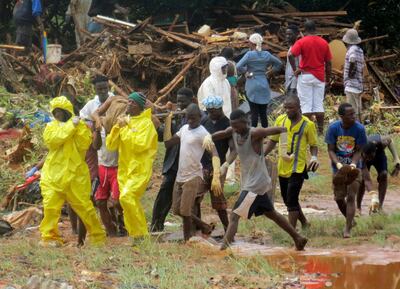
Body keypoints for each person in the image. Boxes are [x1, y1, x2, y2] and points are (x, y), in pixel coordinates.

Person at [212, 109, 308, 250]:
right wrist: (207, 138)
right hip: (251, 182)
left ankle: (223, 250)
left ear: (245, 121)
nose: (235, 129)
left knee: (234, 216)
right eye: (233, 126)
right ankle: (298, 238)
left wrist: (284, 150)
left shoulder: (255, 133)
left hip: (255, 184)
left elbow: (281, 129)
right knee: (272, 214)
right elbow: (219, 135)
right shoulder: (233, 131)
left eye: (237, 125)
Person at [39, 96, 106, 246]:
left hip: (75, 175)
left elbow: (84, 144)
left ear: (66, 111)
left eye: (59, 112)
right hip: (53, 174)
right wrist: (70, 127)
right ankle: (49, 237)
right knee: (50, 206)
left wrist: (77, 126)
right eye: (54, 112)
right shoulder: (51, 127)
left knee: (85, 207)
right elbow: (53, 141)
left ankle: (97, 236)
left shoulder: (81, 127)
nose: (56, 115)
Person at [164, 104, 223, 241]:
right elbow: (168, 143)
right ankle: (204, 226)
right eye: (188, 118)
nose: (190, 121)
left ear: (200, 117)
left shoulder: (203, 134)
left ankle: (187, 239)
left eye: (193, 118)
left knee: (185, 211)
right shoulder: (184, 129)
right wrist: (167, 122)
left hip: (193, 176)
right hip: (180, 175)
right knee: (177, 210)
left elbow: (215, 153)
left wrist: (216, 176)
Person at [150, 88, 205, 232]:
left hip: (191, 166)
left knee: (192, 199)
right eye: (178, 101)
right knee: (164, 194)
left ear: (192, 101)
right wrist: (159, 122)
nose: (180, 104)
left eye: (183, 102)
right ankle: (156, 226)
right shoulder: (176, 117)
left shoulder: (199, 118)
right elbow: (164, 138)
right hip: (173, 163)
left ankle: (196, 228)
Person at [106, 92, 158, 240]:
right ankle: (136, 234)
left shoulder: (146, 124)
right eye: (128, 101)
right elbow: (111, 145)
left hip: (140, 169)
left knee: (128, 197)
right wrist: (117, 127)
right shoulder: (124, 122)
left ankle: (141, 233)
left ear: (140, 106)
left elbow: (139, 145)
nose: (129, 104)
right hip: (125, 169)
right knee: (125, 200)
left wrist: (127, 128)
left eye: (133, 102)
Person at [264, 96, 319, 229]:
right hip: (282, 166)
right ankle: (305, 223)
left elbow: (313, 144)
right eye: (286, 108)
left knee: (291, 199)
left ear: (299, 107)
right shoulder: (281, 121)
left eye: (291, 108)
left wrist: (314, 157)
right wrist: (262, 155)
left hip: (298, 168)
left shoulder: (308, 124)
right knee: (287, 199)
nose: (287, 110)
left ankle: (292, 231)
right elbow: (273, 140)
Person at [325, 103, 367, 238]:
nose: (354, 117)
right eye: (350, 115)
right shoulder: (333, 128)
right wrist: (337, 164)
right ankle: (351, 220)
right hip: (338, 168)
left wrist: (354, 164)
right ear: (341, 116)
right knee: (338, 198)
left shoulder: (359, 129)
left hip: (355, 168)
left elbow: (359, 150)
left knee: (351, 197)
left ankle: (347, 228)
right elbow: (331, 149)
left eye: (354, 114)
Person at [288, 20, 332, 135]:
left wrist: (295, 69)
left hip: (305, 76)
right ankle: (321, 132)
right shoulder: (324, 42)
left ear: (304, 29)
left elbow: (290, 55)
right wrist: (328, 79)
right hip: (319, 77)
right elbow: (329, 63)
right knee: (318, 105)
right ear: (315, 29)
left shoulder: (301, 41)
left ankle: (306, 132)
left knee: (305, 105)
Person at [197, 96, 234, 231]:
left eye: (213, 111)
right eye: (208, 111)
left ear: (220, 109)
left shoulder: (227, 124)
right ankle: (199, 227)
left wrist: (226, 165)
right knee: (195, 198)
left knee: (218, 201)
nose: (210, 113)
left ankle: (228, 231)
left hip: (217, 168)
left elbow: (234, 149)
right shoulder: (205, 121)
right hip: (202, 166)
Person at [236, 33, 282, 128]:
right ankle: (265, 133)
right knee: (263, 113)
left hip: (252, 84)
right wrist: (270, 72)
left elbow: (238, 66)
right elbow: (279, 64)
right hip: (263, 83)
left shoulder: (249, 55)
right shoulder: (266, 55)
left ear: (252, 44)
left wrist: (246, 72)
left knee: (254, 112)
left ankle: (253, 134)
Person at [358, 134, 400, 213]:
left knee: (383, 174)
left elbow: (389, 139)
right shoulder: (360, 152)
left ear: (375, 150)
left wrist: (396, 158)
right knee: (362, 180)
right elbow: (367, 179)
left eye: (370, 157)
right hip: (363, 158)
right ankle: (358, 207)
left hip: (379, 156)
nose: (369, 159)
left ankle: (379, 207)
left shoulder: (381, 142)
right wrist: (373, 196)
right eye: (367, 157)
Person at [342, 29, 365, 121]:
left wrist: (351, 72)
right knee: (358, 111)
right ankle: (360, 129)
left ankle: (354, 130)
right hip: (358, 85)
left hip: (352, 85)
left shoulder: (352, 49)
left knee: (351, 112)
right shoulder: (360, 50)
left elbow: (352, 59)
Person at [285, 25, 300, 97]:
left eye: (290, 34)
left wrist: (295, 73)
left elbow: (301, 66)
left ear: (297, 34)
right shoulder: (291, 47)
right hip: (290, 80)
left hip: (295, 82)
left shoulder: (299, 47)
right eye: (287, 34)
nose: (287, 36)